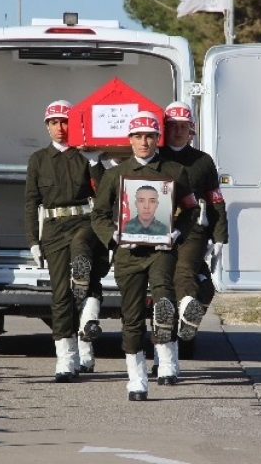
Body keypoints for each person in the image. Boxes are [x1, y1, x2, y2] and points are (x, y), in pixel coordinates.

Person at [91, 111, 198, 400]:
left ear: (157, 138)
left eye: (150, 136)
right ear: (130, 140)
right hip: (128, 253)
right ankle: (136, 378)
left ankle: (166, 362)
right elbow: (99, 214)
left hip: (162, 251)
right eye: (138, 136)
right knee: (132, 316)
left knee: (164, 301)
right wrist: (113, 237)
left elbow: (191, 208)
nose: (144, 142)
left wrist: (177, 234)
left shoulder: (175, 171)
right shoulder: (115, 175)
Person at [25, 100, 108, 383]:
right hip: (53, 229)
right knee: (62, 295)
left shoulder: (84, 155)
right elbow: (30, 203)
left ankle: (86, 338)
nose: (61, 128)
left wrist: (96, 161)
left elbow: (107, 191)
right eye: (55, 123)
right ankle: (67, 358)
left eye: (65, 122)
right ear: (47, 126)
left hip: (85, 224)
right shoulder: (38, 159)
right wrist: (33, 241)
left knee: (84, 274)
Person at [159, 102, 228, 346]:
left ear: (192, 130)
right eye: (172, 126)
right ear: (164, 129)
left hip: (194, 226)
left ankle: (188, 311)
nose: (178, 131)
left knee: (186, 268)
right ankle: (173, 327)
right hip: (157, 227)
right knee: (165, 280)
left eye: (183, 126)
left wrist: (220, 237)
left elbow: (215, 199)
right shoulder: (155, 157)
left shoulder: (203, 161)